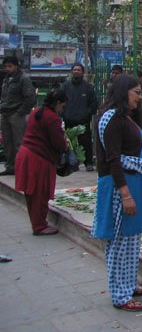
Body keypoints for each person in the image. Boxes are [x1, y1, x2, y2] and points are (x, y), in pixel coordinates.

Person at [91, 74, 142, 312]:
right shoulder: (110, 119)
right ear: (123, 92)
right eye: (136, 92)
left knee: (131, 241)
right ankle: (120, 295)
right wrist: (126, 194)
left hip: (134, 183)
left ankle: (129, 285)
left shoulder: (125, 117)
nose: (140, 98)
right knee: (119, 243)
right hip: (121, 186)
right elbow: (113, 159)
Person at [14, 89, 69, 235]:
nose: (62, 109)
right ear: (57, 103)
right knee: (40, 193)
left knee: (31, 194)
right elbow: (58, 142)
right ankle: (39, 226)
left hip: (26, 154)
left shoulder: (36, 112)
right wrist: (66, 145)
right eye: (62, 106)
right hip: (38, 159)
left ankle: (37, 223)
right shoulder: (52, 118)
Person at [0, 55, 37, 175]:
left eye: (10, 66)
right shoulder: (6, 79)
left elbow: (30, 98)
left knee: (19, 143)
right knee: (7, 143)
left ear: (16, 66)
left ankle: (22, 168)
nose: (7, 69)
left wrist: (21, 112)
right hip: (5, 113)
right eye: (5, 66)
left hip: (17, 114)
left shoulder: (23, 79)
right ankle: (11, 167)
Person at [61, 63, 99, 172]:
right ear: (71, 71)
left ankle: (88, 163)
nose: (76, 71)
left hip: (83, 121)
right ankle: (72, 163)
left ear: (82, 72)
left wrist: (86, 114)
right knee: (70, 144)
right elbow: (59, 101)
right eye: (74, 69)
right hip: (69, 120)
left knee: (85, 142)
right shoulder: (65, 86)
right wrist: (64, 114)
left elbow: (93, 104)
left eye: (78, 70)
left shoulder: (88, 87)